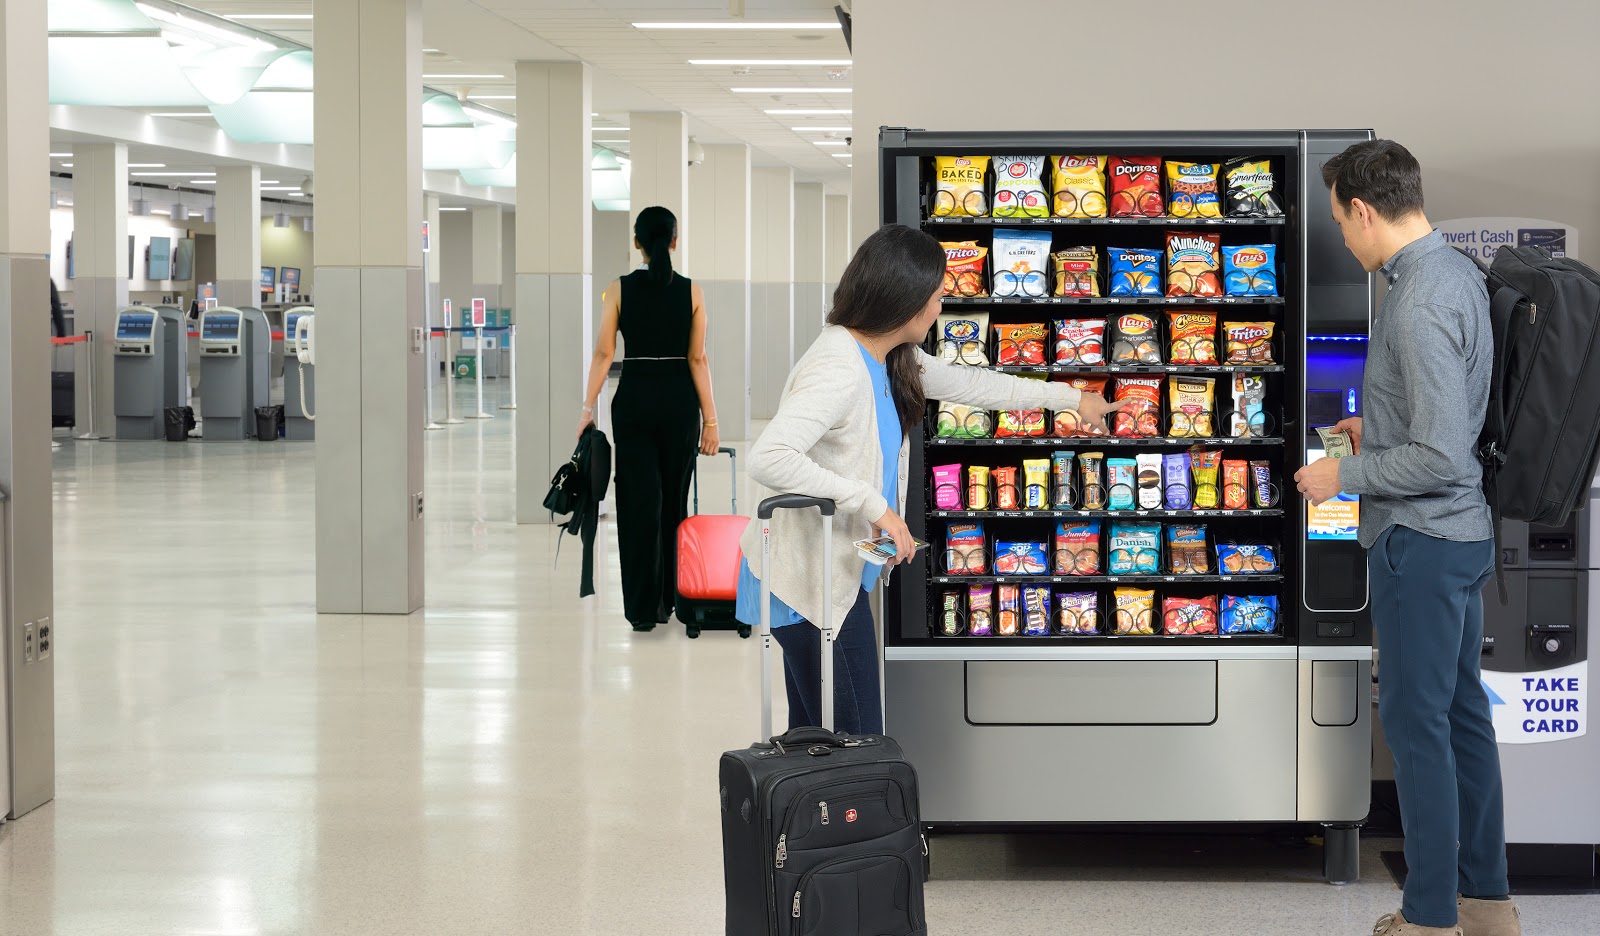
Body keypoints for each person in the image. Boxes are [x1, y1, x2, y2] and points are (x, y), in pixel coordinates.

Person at [736, 224, 1122, 735]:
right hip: (805, 582)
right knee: (859, 742)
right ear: (907, 300)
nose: (942, 306)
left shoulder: (893, 356)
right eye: (939, 295)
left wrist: (1073, 399)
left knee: (816, 739)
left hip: (830, 575)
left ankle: (810, 816)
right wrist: (873, 504)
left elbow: (974, 384)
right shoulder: (838, 366)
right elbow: (769, 456)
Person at [1294, 139, 1518, 936]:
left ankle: (1427, 917)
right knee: (1461, 717)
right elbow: (1440, 415)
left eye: (1338, 221)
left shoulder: (1416, 301)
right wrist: (1371, 424)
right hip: (1462, 538)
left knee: (1417, 729)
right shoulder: (1452, 271)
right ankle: (1487, 903)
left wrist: (1340, 476)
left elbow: (1437, 452)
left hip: (1419, 542)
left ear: (1362, 209)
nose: (1342, 239)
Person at [578, 206, 719, 632]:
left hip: (635, 397)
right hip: (679, 401)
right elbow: (697, 358)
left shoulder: (617, 290)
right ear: (674, 241)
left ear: (637, 243)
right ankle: (670, 601)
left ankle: (643, 610)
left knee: (638, 504)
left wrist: (587, 409)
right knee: (673, 503)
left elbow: (604, 354)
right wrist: (710, 421)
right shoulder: (693, 292)